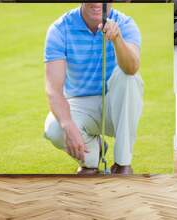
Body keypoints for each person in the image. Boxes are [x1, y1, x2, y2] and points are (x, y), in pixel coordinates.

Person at [43, 3, 144, 175]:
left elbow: (132, 68)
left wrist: (117, 39)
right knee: (54, 128)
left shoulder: (125, 24)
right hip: (79, 104)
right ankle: (92, 158)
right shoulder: (60, 29)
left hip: (117, 105)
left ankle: (123, 164)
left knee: (128, 77)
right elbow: (54, 90)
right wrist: (67, 124)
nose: (97, 3)